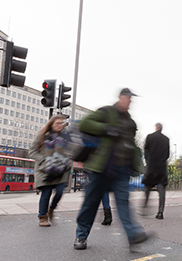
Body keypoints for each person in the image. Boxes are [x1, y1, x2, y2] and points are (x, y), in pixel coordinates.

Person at [73, 88, 147, 250]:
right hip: (101, 168)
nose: (130, 101)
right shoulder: (106, 112)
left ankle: (132, 235)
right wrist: (106, 129)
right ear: (121, 97)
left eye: (131, 99)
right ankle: (81, 236)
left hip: (122, 170)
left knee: (123, 203)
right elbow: (85, 124)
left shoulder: (130, 122)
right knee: (90, 203)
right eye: (128, 98)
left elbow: (132, 145)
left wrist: (136, 165)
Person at [29, 115, 72, 227]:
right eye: (57, 123)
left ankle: (51, 208)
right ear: (51, 124)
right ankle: (42, 217)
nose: (60, 125)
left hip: (61, 169)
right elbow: (32, 151)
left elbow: (71, 152)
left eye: (62, 123)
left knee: (60, 191)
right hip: (45, 169)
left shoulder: (66, 137)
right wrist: (44, 161)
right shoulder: (43, 136)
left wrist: (68, 162)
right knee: (46, 193)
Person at [142, 123, 170, 220]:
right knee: (161, 190)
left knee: (147, 187)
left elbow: (145, 150)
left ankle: (144, 207)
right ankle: (160, 212)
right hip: (161, 167)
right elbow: (167, 154)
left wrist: (148, 161)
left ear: (156, 128)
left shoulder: (150, 137)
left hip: (151, 166)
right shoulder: (166, 139)